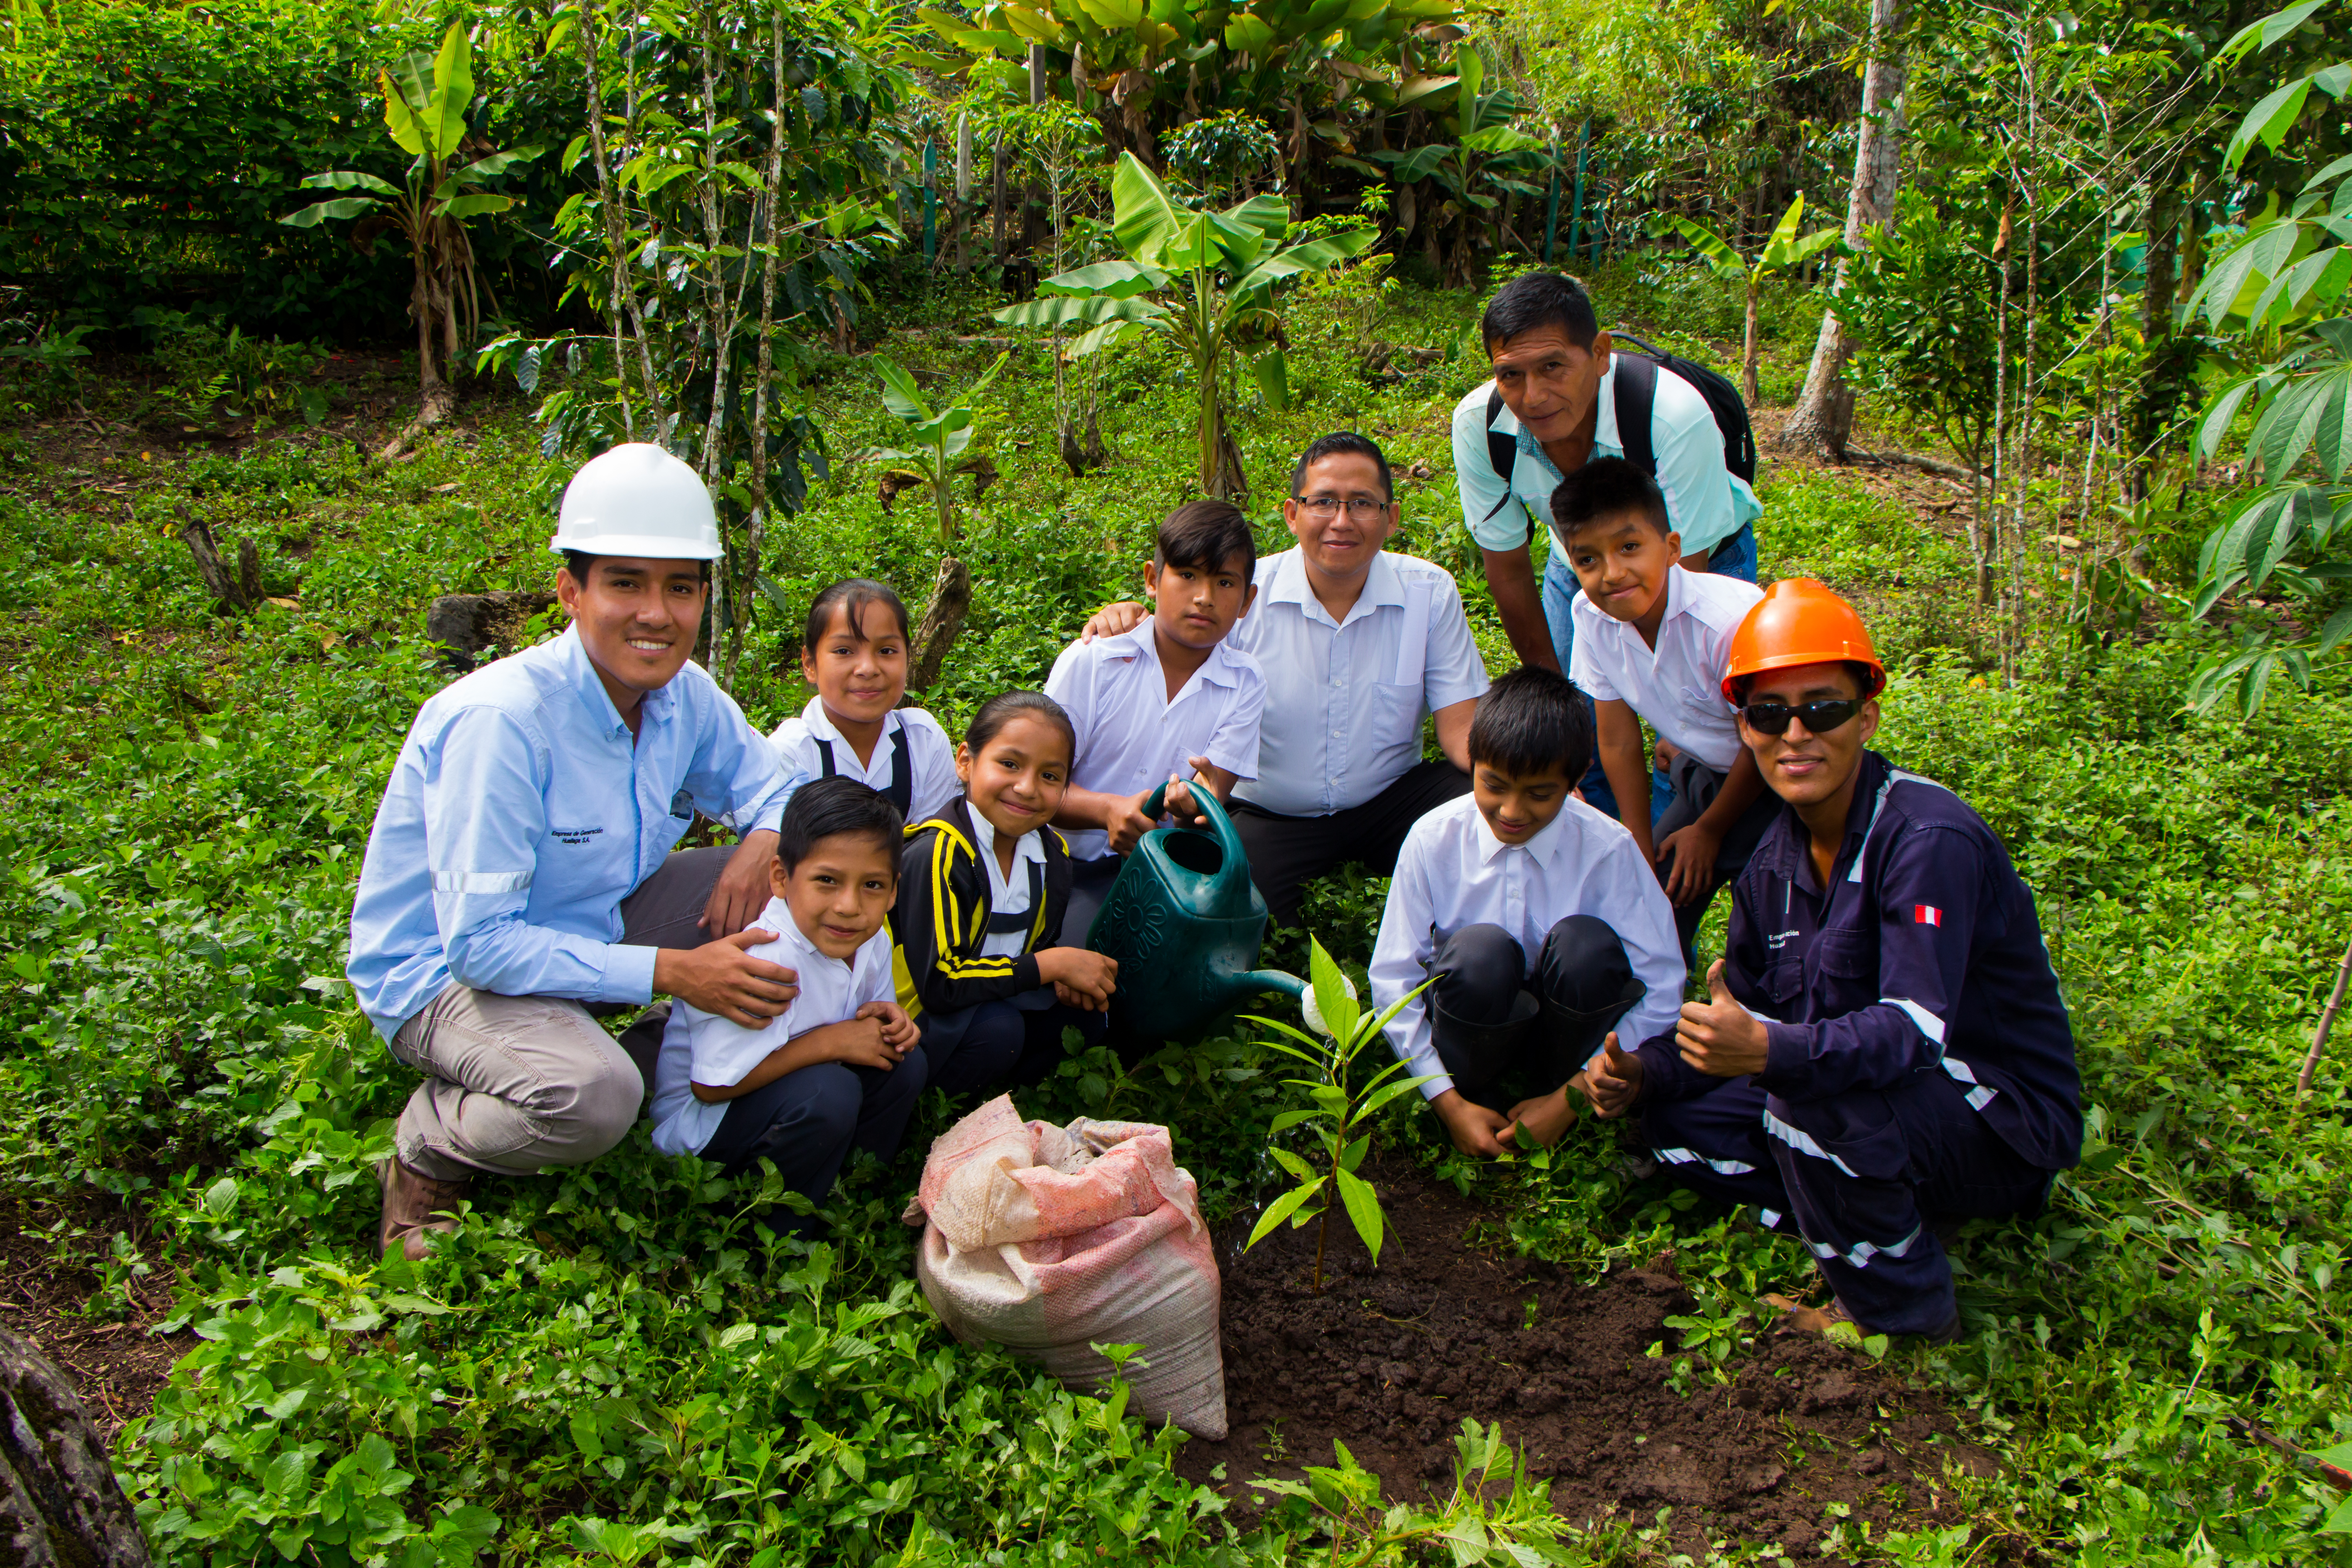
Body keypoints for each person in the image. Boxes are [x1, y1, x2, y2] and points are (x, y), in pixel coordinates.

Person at [1578, 580, 2082, 1342]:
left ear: (1865, 716)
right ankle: (1873, 1201)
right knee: (1672, 1120)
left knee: (1805, 1105)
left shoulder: (1924, 840)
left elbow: (1910, 1036)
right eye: (1767, 715)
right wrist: (1642, 1074)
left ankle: (1897, 1311)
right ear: (1741, 730)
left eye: (1822, 709)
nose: (1794, 736)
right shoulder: (1769, 866)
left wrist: (1769, 1048)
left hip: (1991, 1115)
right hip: (1865, 1090)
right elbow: (1742, 1024)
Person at [348, 443, 806, 1260]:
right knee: (595, 1100)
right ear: (571, 591)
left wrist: (762, 840)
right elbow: (481, 944)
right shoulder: (503, 723)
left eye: (680, 587)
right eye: (625, 583)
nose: (656, 614)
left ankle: (627, 1035)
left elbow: (775, 790)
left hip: (588, 921)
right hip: (443, 976)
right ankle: (429, 1142)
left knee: (795, 889)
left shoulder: (681, 696)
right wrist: (673, 971)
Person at [1081, 432, 1490, 925]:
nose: (1341, 521)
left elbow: (1461, 726)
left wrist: (1524, 775)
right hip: (1270, 813)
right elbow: (1178, 638)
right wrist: (1130, 616)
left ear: (1392, 518)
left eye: (1362, 503)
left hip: (1390, 798)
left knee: (1487, 808)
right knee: (1236, 911)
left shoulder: (1429, 593)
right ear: (1292, 514)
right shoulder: (1244, 594)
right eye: (1323, 502)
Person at [1452, 273, 1763, 819]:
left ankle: (1672, 846)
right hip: (1576, 558)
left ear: (1599, 354)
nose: (1534, 396)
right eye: (1511, 375)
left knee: (1689, 739)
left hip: (1698, 559)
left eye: (1553, 367)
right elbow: (1506, 568)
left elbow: (1679, 583)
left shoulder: (1673, 415)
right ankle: (1598, 830)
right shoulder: (1480, 426)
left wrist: (1677, 718)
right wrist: (1557, 708)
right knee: (1583, 712)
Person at [1367, 668, 1685, 1159]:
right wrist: (1448, 1103)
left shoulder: (1607, 848)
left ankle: (1553, 1080)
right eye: (1494, 785)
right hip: (1474, 1028)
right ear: (1472, 762)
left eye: (1540, 794)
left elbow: (1663, 983)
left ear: (1576, 781)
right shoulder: (1434, 838)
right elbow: (1392, 977)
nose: (1512, 811)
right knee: (1479, 953)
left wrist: (1573, 1097)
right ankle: (1478, 1093)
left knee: (1587, 946)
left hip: (1571, 1038)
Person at [647, 777, 924, 1204]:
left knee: (902, 1060)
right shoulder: (763, 960)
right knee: (830, 1091)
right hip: (705, 1128)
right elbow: (712, 1087)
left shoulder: (872, 940)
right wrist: (832, 1042)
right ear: (780, 877)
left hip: (789, 1094)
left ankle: (852, 1193)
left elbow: (871, 1012)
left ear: (892, 891)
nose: (849, 906)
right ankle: (777, 1225)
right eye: (827, 880)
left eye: (872, 885)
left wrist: (891, 1019)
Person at [1555, 458, 1773, 957]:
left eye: (1629, 548)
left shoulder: (1729, 622)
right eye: (1587, 560)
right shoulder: (1590, 616)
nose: (1612, 574)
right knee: (1646, 909)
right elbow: (1616, 738)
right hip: (1706, 775)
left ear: (1672, 548)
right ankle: (1653, 1021)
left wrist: (1710, 831)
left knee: (1770, 927)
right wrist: (1639, 847)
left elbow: (1768, 740)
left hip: (1775, 782)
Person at [1045, 499, 1266, 941]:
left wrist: (1191, 811)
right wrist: (1106, 810)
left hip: (1156, 869)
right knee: (1078, 965)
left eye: (1225, 582)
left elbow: (1211, 796)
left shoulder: (1246, 683)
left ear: (1246, 601)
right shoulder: (1095, 661)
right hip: (1050, 857)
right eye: (1187, 576)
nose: (1204, 597)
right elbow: (1035, 788)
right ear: (1152, 579)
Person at [895, 691, 1121, 1095]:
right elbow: (941, 984)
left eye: (1050, 776)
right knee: (999, 1029)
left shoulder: (1053, 853)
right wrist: (1050, 967)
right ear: (966, 761)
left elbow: (1038, 946)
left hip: (993, 998)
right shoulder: (939, 852)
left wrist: (1063, 978)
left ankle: (1003, 1092)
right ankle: (932, 1107)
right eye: (1010, 764)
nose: (1027, 787)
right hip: (916, 1020)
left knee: (1087, 1016)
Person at [768, 579, 959, 824]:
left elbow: (934, 849)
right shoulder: (793, 754)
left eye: (887, 651)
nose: (868, 669)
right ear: (809, 664)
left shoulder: (922, 740)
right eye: (844, 651)